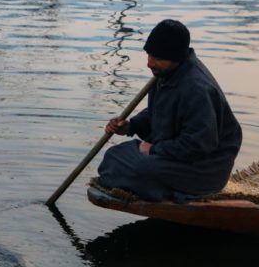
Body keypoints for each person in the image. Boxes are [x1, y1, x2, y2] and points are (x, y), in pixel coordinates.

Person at [97, 19, 242, 202]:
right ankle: (154, 184)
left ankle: (171, 191)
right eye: (149, 55)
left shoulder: (197, 89)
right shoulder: (166, 73)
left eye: (157, 58)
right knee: (113, 156)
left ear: (176, 57)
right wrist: (130, 126)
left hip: (204, 170)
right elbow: (158, 113)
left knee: (140, 168)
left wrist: (154, 149)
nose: (149, 63)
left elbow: (198, 144)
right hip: (176, 159)